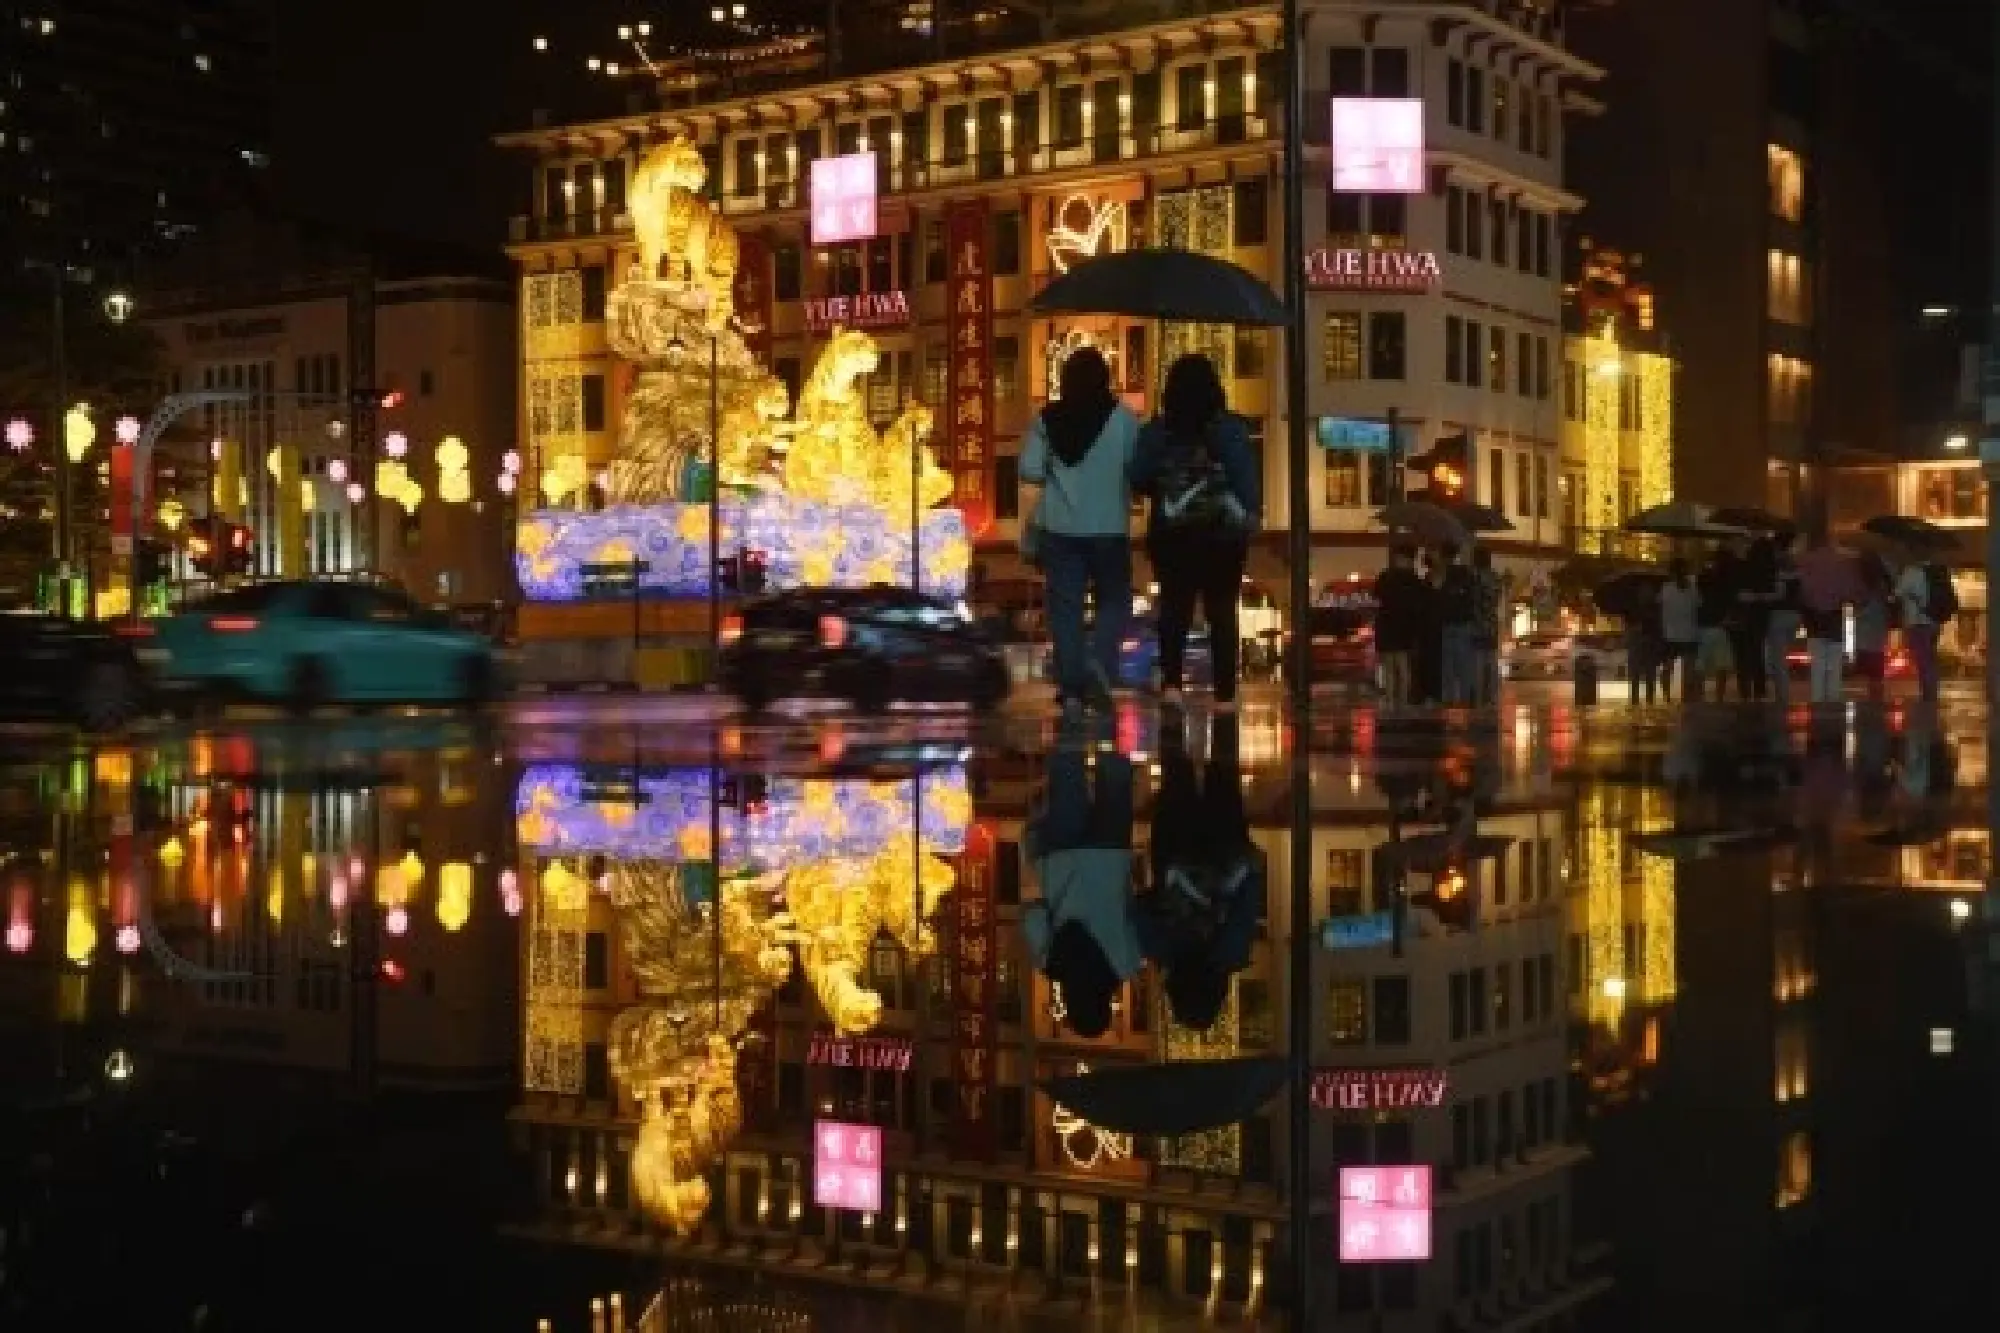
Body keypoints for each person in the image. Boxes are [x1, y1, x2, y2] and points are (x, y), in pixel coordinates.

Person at [1130, 353, 1262, 708]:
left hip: (1172, 533)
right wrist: (1249, 516)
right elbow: (1245, 483)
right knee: (1222, 609)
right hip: (1222, 534)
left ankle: (1172, 684)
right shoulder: (1232, 429)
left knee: (1174, 607)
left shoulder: (1158, 432)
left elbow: (1137, 476)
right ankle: (1224, 692)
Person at [1019, 347, 1140, 719]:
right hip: (1109, 529)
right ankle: (1101, 665)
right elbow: (1137, 472)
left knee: (1066, 610)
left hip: (1060, 529)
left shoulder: (1047, 420)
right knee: (1114, 602)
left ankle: (1071, 688)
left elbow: (1030, 475)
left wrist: (1027, 532)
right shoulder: (1123, 420)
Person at [1143, 713, 1264, 1030]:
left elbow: (1249, 897)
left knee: (1223, 768)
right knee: (1175, 769)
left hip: (1223, 844)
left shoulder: (1231, 953)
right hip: (1173, 848)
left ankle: (1224, 699)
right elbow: (1138, 908)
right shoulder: (1161, 950)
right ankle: (1171, 690)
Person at [1021, 740, 1138, 1040]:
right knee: (1067, 770)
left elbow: (1135, 915)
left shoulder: (1125, 964)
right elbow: (1032, 916)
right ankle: (1071, 708)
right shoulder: (1051, 964)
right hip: (1062, 859)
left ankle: (1109, 711)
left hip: (1110, 856)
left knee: (1114, 775)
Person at [1374, 546, 1426, 707]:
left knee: (1389, 666)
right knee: (1403, 666)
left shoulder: (1386, 577)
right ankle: (1403, 700)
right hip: (1406, 628)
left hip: (1387, 626)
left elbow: (1376, 597)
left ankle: (1390, 699)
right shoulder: (1415, 580)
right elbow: (1419, 607)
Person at [1896, 556, 1947, 704]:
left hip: (1917, 622)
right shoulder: (1937, 571)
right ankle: (1931, 690)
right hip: (1934, 622)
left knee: (1922, 659)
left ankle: (1928, 693)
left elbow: (1897, 594)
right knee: (1930, 657)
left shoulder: (1910, 572)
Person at [1764, 528, 1804, 706]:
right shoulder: (1795, 563)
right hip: (1795, 614)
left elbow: (1779, 592)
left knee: (1777, 658)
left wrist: (1761, 597)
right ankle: (1782, 693)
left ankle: (1782, 697)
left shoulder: (1777, 563)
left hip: (1779, 614)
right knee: (1781, 655)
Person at [1733, 535, 1773, 701]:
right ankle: (1759, 688)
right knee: (1757, 651)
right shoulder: (1768, 570)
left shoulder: (1741, 567)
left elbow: (1736, 591)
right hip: (1761, 615)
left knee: (1742, 653)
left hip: (1744, 614)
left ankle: (1744, 689)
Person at [1696, 548, 1738, 701]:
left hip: (1704, 625)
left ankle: (1700, 695)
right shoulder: (1727, 580)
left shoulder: (1704, 578)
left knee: (1701, 663)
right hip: (1720, 626)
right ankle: (1719, 697)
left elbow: (1698, 600)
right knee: (1722, 664)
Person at [1659, 559, 1702, 701]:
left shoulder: (1666, 589)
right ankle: (1688, 697)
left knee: (1667, 667)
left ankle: (1666, 697)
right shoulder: (1693, 589)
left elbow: (1658, 603)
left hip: (1670, 634)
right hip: (1689, 633)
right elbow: (1698, 605)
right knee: (1689, 669)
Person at [1852, 553, 1893, 702]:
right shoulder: (1883, 584)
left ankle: (1871, 698)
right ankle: (1875, 697)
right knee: (1876, 670)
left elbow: (1859, 605)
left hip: (1864, 630)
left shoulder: (1861, 584)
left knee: (1868, 669)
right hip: (1877, 630)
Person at [1469, 546, 1504, 706]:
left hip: (1476, 624)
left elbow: (1471, 601)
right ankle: (1492, 697)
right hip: (1491, 623)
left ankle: (1478, 697)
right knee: (1491, 661)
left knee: (1477, 663)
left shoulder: (1474, 578)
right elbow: (1496, 598)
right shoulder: (1495, 578)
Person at [1625, 579, 1662, 704]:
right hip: (1637, 642)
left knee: (1649, 674)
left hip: (1649, 643)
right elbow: (1628, 626)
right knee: (1635, 674)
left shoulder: (1656, 608)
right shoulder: (1632, 608)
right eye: (1644, 590)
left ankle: (1649, 700)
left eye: (1649, 590)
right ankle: (1635, 701)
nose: (1646, 593)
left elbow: (1658, 626)